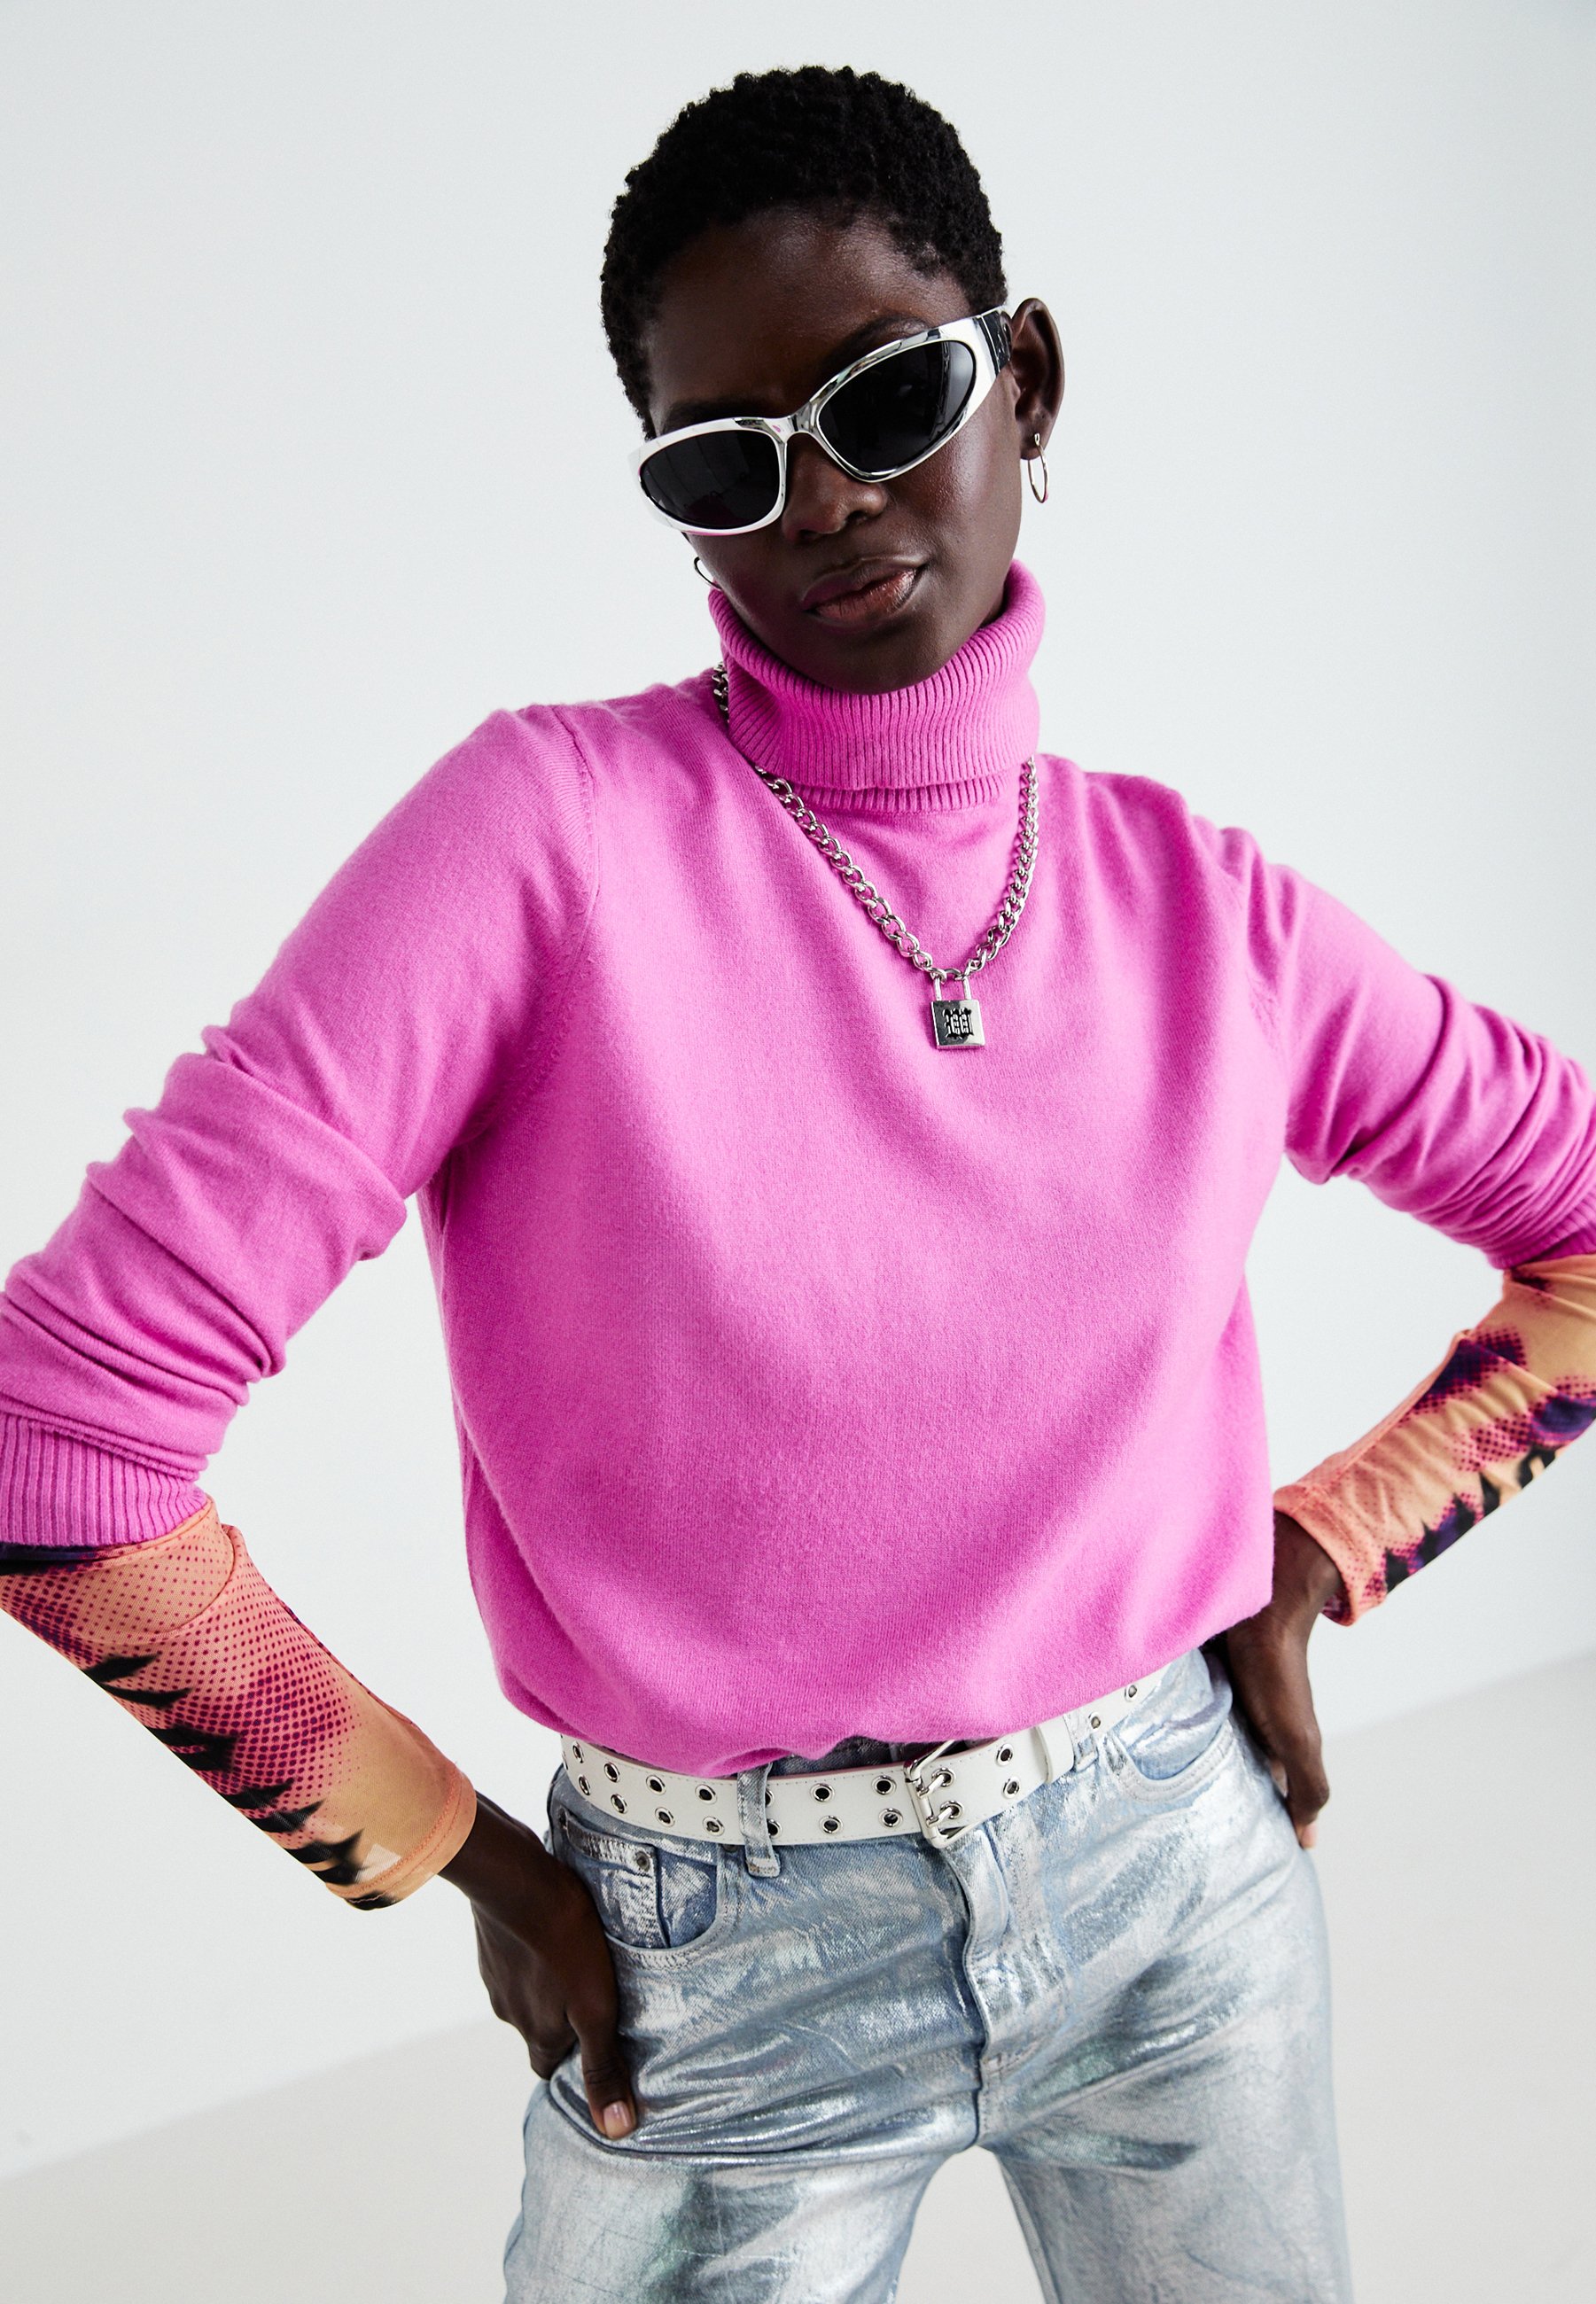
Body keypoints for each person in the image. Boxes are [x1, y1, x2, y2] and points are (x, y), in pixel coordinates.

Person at [4, 65, 1595, 2304]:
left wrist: (1323, 1547)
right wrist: (452, 1853)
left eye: (889, 395)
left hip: (1180, 1883)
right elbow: (56, 1437)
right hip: (712, 1955)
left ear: (1026, 379)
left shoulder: (1207, 915)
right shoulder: (535, 850)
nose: (828, 497)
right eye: (725, 462)